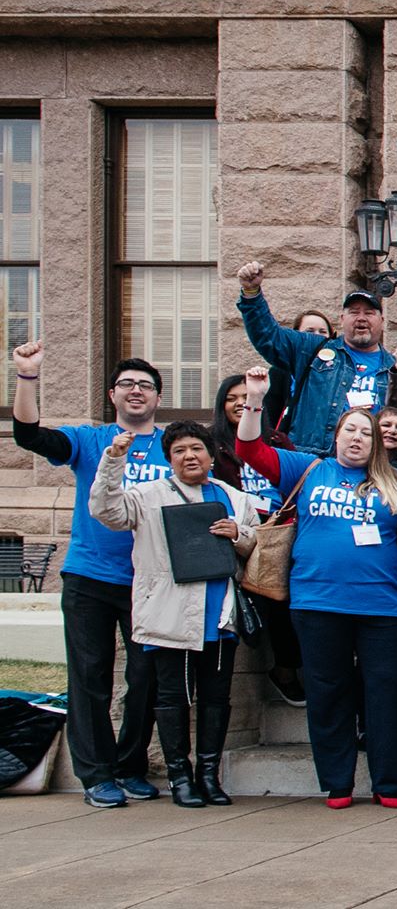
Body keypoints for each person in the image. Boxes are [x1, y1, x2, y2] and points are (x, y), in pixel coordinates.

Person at [234, 367, 397, 810]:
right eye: (350, 430)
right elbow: (249, 449)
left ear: (377, 443)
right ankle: (338, 782)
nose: (357, 438)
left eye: (366, 432)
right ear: (337, 436)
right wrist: (256, 397)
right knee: (328, 690)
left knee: (384, 691)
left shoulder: (394, 483)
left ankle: (388, 784)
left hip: (380, 606)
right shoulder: (309, 469)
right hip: (317, 603)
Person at [10, 342, 166, 807]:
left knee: (146, 678)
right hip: (90, 578)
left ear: (158, 398)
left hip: (149, 580)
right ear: (113, 395)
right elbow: (28, 436)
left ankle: (130, 766)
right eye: (128, 385)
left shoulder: (170, 446)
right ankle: (96, 774)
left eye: (146, 386)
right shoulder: (89, 440)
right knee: (90, 676)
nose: (137, 392)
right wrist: (28, 377)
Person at [88, 422, 260, 808]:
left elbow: (258, 546)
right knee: (172, 699)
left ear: (211, 454)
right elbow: (104, 510)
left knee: (216, 699)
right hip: (170, 616)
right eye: (180, 450)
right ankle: (179, 777)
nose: (189, 456)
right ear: (169, 459)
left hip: (220, 617)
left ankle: (209, 776)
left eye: (196, 448)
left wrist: (239, 533)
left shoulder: (235, 498)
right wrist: (113, 460)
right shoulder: (146, 496)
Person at [209, 371, 304, 705]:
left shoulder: (277, 442)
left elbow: (296, 483)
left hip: (276, 532)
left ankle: (287, 668)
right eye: (231, 398)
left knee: (284, 600)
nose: (239, 403)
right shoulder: (212, 443)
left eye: (245, 397)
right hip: (231, 532)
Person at [236, 263, 394, 455]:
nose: (361, 318)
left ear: (382, 322)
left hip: (371, 463)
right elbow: (269, 337)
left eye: (369, 313)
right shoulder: (312, 349)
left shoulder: (396, 368)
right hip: (313, 459)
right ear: (342, 319)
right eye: (354, 312)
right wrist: (252, 294)